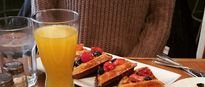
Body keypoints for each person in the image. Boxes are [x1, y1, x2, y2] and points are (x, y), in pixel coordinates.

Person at [31, 0, 176, 57]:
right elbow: (43, 9)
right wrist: (57, 55)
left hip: (129, 66)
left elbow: (160, 19)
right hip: (64, 61)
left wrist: (134, 64)